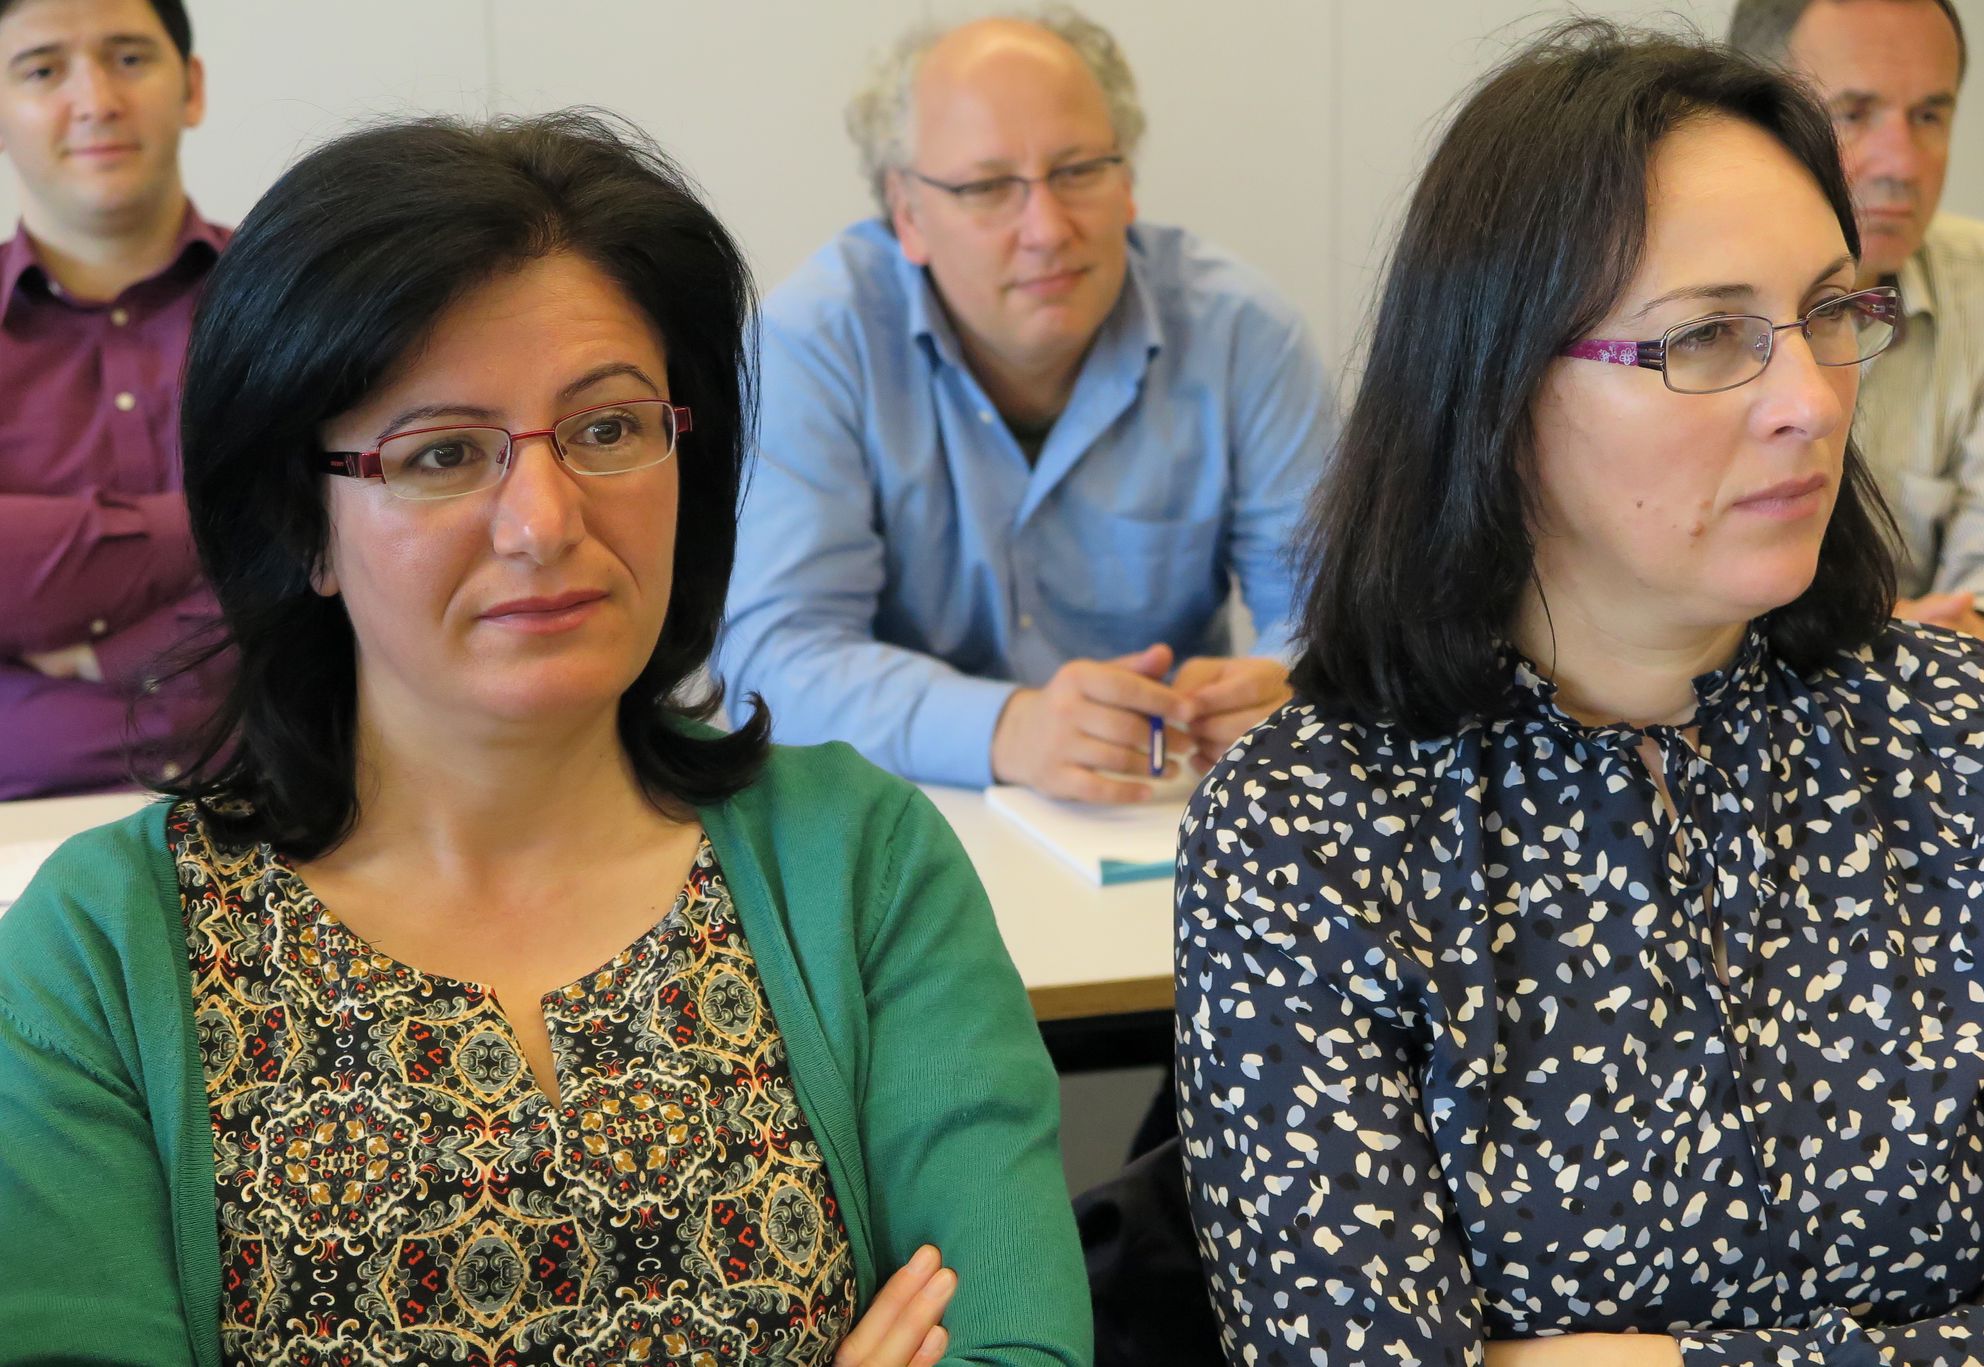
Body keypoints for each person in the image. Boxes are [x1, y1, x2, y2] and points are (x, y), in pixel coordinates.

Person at [0, 112, 1089, 1366]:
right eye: (444, 453)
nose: (543, 518)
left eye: (610, 428)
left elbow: (1024, 1345)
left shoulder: (860, 864)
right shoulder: (97, 950)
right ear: (303, 525)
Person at [1175, 23, 1984, 1365]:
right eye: (1706, 336)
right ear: (1499, 384)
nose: (1809, 400)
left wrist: (1646, 1361)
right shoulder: (1308, 827)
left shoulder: (1970, 736)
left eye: (1828, 312)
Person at [718, 7, 1330, 804]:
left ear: (1127, 182)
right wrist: (1011, 727)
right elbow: (773, 666)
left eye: (1078, 171)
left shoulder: (1244, 335)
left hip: (1159, 817)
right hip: (900, 825)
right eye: (986, 187)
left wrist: (1290, 688)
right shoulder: (810, 346)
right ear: (907, 212)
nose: (1046, 228)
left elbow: (1344, 619)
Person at [1731, 0, 1984, 672]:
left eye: (1929, 115)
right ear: (1749, 116)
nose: (1901, 164)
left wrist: (1974, 632)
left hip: (1927, 680)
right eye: (1851, 112)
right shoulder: (1658, 303)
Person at [0, 0, 228, 798]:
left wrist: (103, 653)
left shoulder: (299, 303)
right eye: (43, 69)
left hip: (290, 809)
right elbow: (285, 536)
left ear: (191, 88)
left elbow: (351, 565)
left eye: (129, 57)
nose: (96, 99)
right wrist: (213, 520)